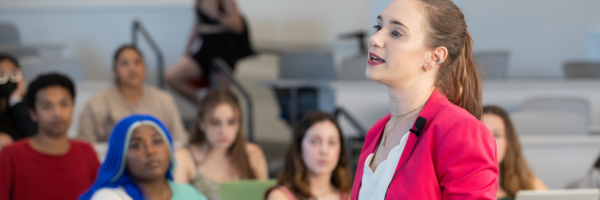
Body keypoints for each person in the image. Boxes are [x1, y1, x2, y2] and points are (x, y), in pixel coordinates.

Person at [351, 0, 499, 199]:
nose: (375, 39)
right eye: (378, 26)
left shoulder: (460, 130)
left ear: (435, 57)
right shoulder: (377, 131)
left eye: (396, 33)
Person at [0, 73, 100, 200]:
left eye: (64, 104)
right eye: (46, 106)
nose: (57, 113)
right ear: (33, 113)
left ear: (73, 107)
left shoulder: (87, 152)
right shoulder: (11, 155)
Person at [79, 114, 207, 200]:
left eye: (157, 142)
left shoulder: (188, 193)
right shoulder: (109, 197)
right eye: (137, 145)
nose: (150, 151)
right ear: (120, 156)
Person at [78, 45, 187, 144]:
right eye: (124, 63)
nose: (132, 68)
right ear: (115, 71)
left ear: (144, 68)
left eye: (137, 62)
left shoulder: (164, 100)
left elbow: (179, 140)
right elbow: (85, 146)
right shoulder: (97, 103)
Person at [174, 89, 268, 200]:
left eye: (231, 122)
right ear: (201, 123)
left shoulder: (252, 153)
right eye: (215, 123)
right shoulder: (183, 157)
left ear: (239, 124)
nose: (223, 131)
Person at [164, 0, 254, 104]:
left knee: (220, 96)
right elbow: (196, 26)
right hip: (204, 49)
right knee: (170, 77)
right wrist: (187, 50)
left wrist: (215, 14)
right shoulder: (200, 2)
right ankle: (205, 106)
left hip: (223, 50)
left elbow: (237, 26)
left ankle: (214, 110)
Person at [265, 111, 352, 200]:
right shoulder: (280, 197)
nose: (324, 151)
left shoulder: (350, 195)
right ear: (299, 147)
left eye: (332, 142)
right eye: (315, 142)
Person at [482, 106, 547, 200]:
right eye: (482, 134)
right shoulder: (458, 189)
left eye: (497, 135)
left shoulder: (533, 187)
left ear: (509, 142)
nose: (489, 141)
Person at [0, 53, 37, 147]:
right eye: (2, 74)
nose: (8, 78)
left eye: (13, 73)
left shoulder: (25, 104)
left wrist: (16, 100)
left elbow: (34, 133)